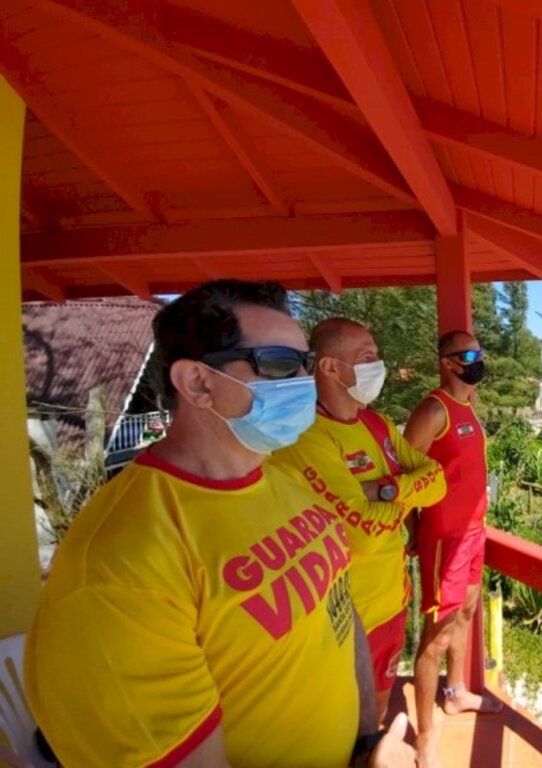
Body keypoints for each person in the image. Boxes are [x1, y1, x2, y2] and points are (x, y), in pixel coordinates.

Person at [24, 281, 413, 767]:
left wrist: (364, 742)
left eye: (305, 364)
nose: (305, 382)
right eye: (277, 363)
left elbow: (338, 609)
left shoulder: (281, 478)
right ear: (198, 383)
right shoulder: (120, 569)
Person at [271, 318, 446, 725]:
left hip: (392, 602)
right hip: (343, 620)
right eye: (366, 358)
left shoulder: (377, 424)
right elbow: (363, 535)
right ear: (329, 367)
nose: (378, 366)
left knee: (378, 716)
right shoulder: (308, 437)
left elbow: (437, 483)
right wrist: (407, 491)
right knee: (344, 725)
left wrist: (384, 490)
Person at [405, 330, 503, 767]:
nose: (476, 359)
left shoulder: (467, 407)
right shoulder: (434, 409)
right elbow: (403, 472)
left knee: (466, 612)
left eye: (479, 352)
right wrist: (411, 529)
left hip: (473, 532)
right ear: (446, 362)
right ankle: (425, 734)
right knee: (436, 634)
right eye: (467, 354)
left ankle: (457, 691)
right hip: (445, 537)